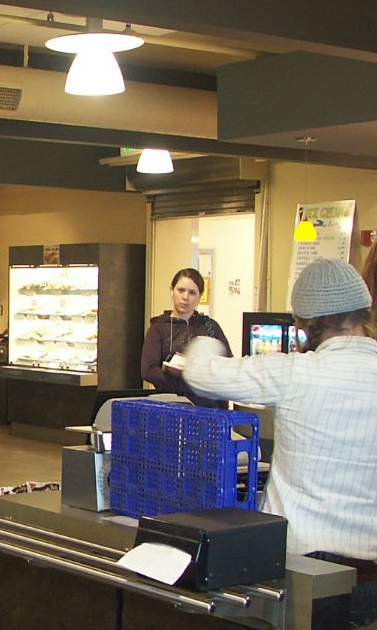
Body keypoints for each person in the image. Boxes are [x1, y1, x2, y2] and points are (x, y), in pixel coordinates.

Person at [184, 258, 377, 627]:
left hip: (303, 567)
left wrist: (206, 340)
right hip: (370, 572)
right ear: (364, 312)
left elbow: (202, 373)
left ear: (304, 326)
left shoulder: (295, 372)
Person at [140, 268, 231, 407]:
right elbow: (148, 370)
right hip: (172, 405)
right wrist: (186, 383)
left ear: (200, 296)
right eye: (181, 290)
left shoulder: (210, 327)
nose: (185, 297)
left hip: (209, 406)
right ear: (172, 290)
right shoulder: (158, 328)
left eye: (192, 293)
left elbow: (228, 365)